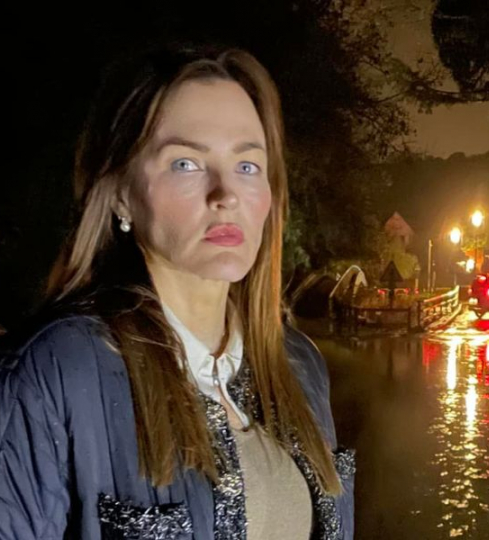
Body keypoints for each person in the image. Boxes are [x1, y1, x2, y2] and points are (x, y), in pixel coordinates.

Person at [0, 45, 354, 540]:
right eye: (186, 163)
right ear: (122, 192)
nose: (226, 194)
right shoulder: (55, 373)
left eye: (248, 166)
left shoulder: (299, 365)